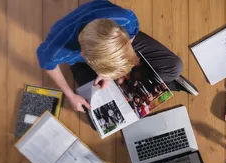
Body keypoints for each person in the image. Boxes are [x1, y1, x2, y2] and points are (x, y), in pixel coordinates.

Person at [37, 0, 198, 114]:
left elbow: (132, 37)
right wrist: (70, 95)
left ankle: (163, 80)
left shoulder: (125, 19)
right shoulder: (57, 48)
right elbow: (47, 65)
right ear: (83, 55)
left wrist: (115, 69)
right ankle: (163, 82)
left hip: (119, 43)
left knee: (174, 66)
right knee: (94, 113)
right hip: (82, 62)